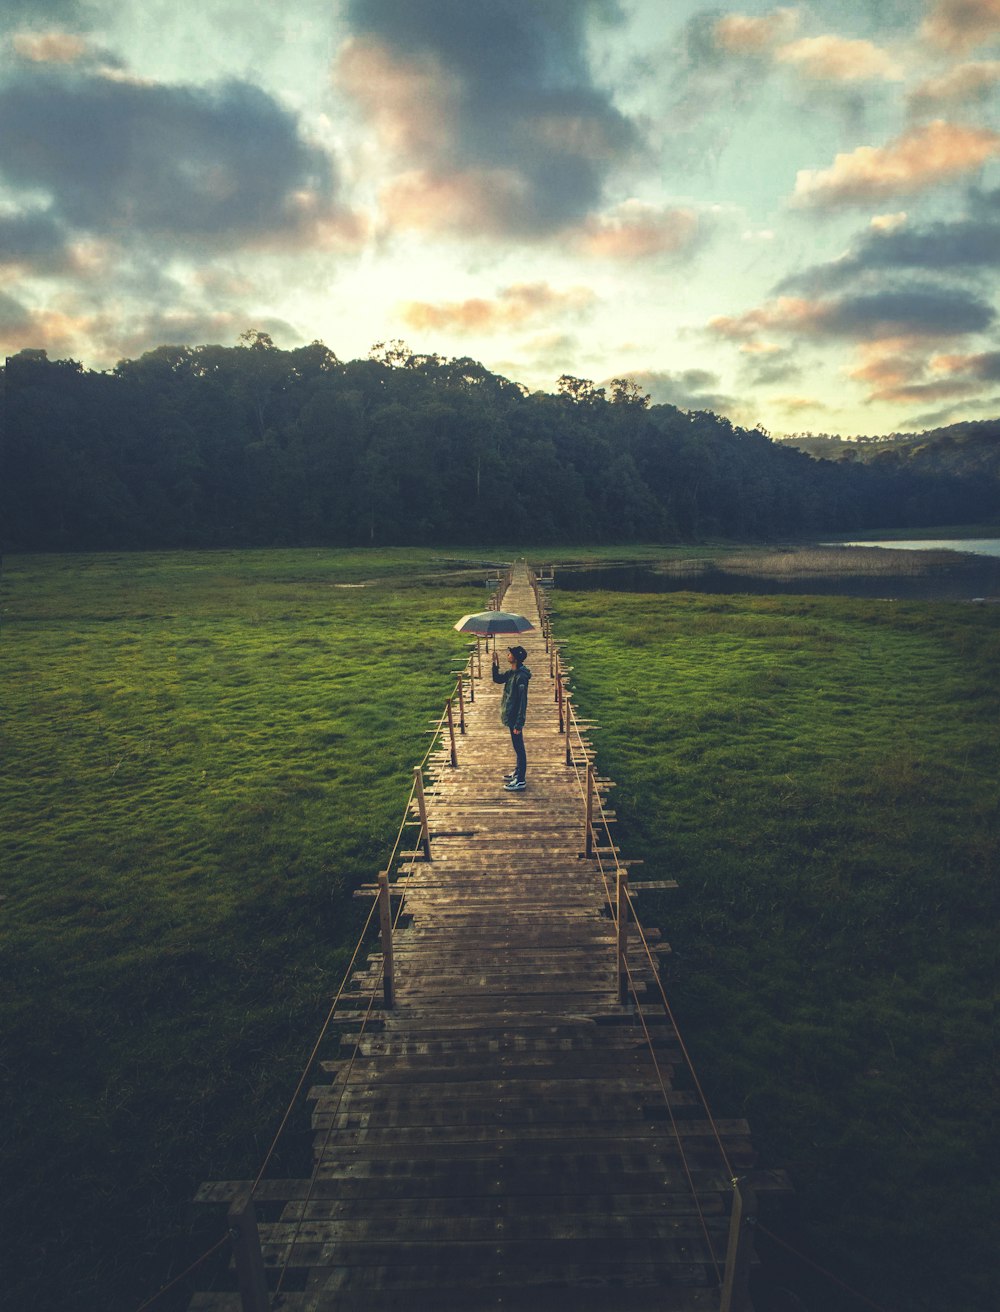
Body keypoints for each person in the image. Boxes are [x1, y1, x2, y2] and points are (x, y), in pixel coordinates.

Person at [492, 644, 531, 791]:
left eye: (510, 654)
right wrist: (495, 664)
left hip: (516, 718)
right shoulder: (512, 672)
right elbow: (497, 679)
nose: (508, 655)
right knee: (516, 746)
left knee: (519, 748)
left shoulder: (521, 677)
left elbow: (522, 702)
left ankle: (521, 780)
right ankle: (517, 771)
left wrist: (519, 724)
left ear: (515, 658)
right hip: (510, 715)